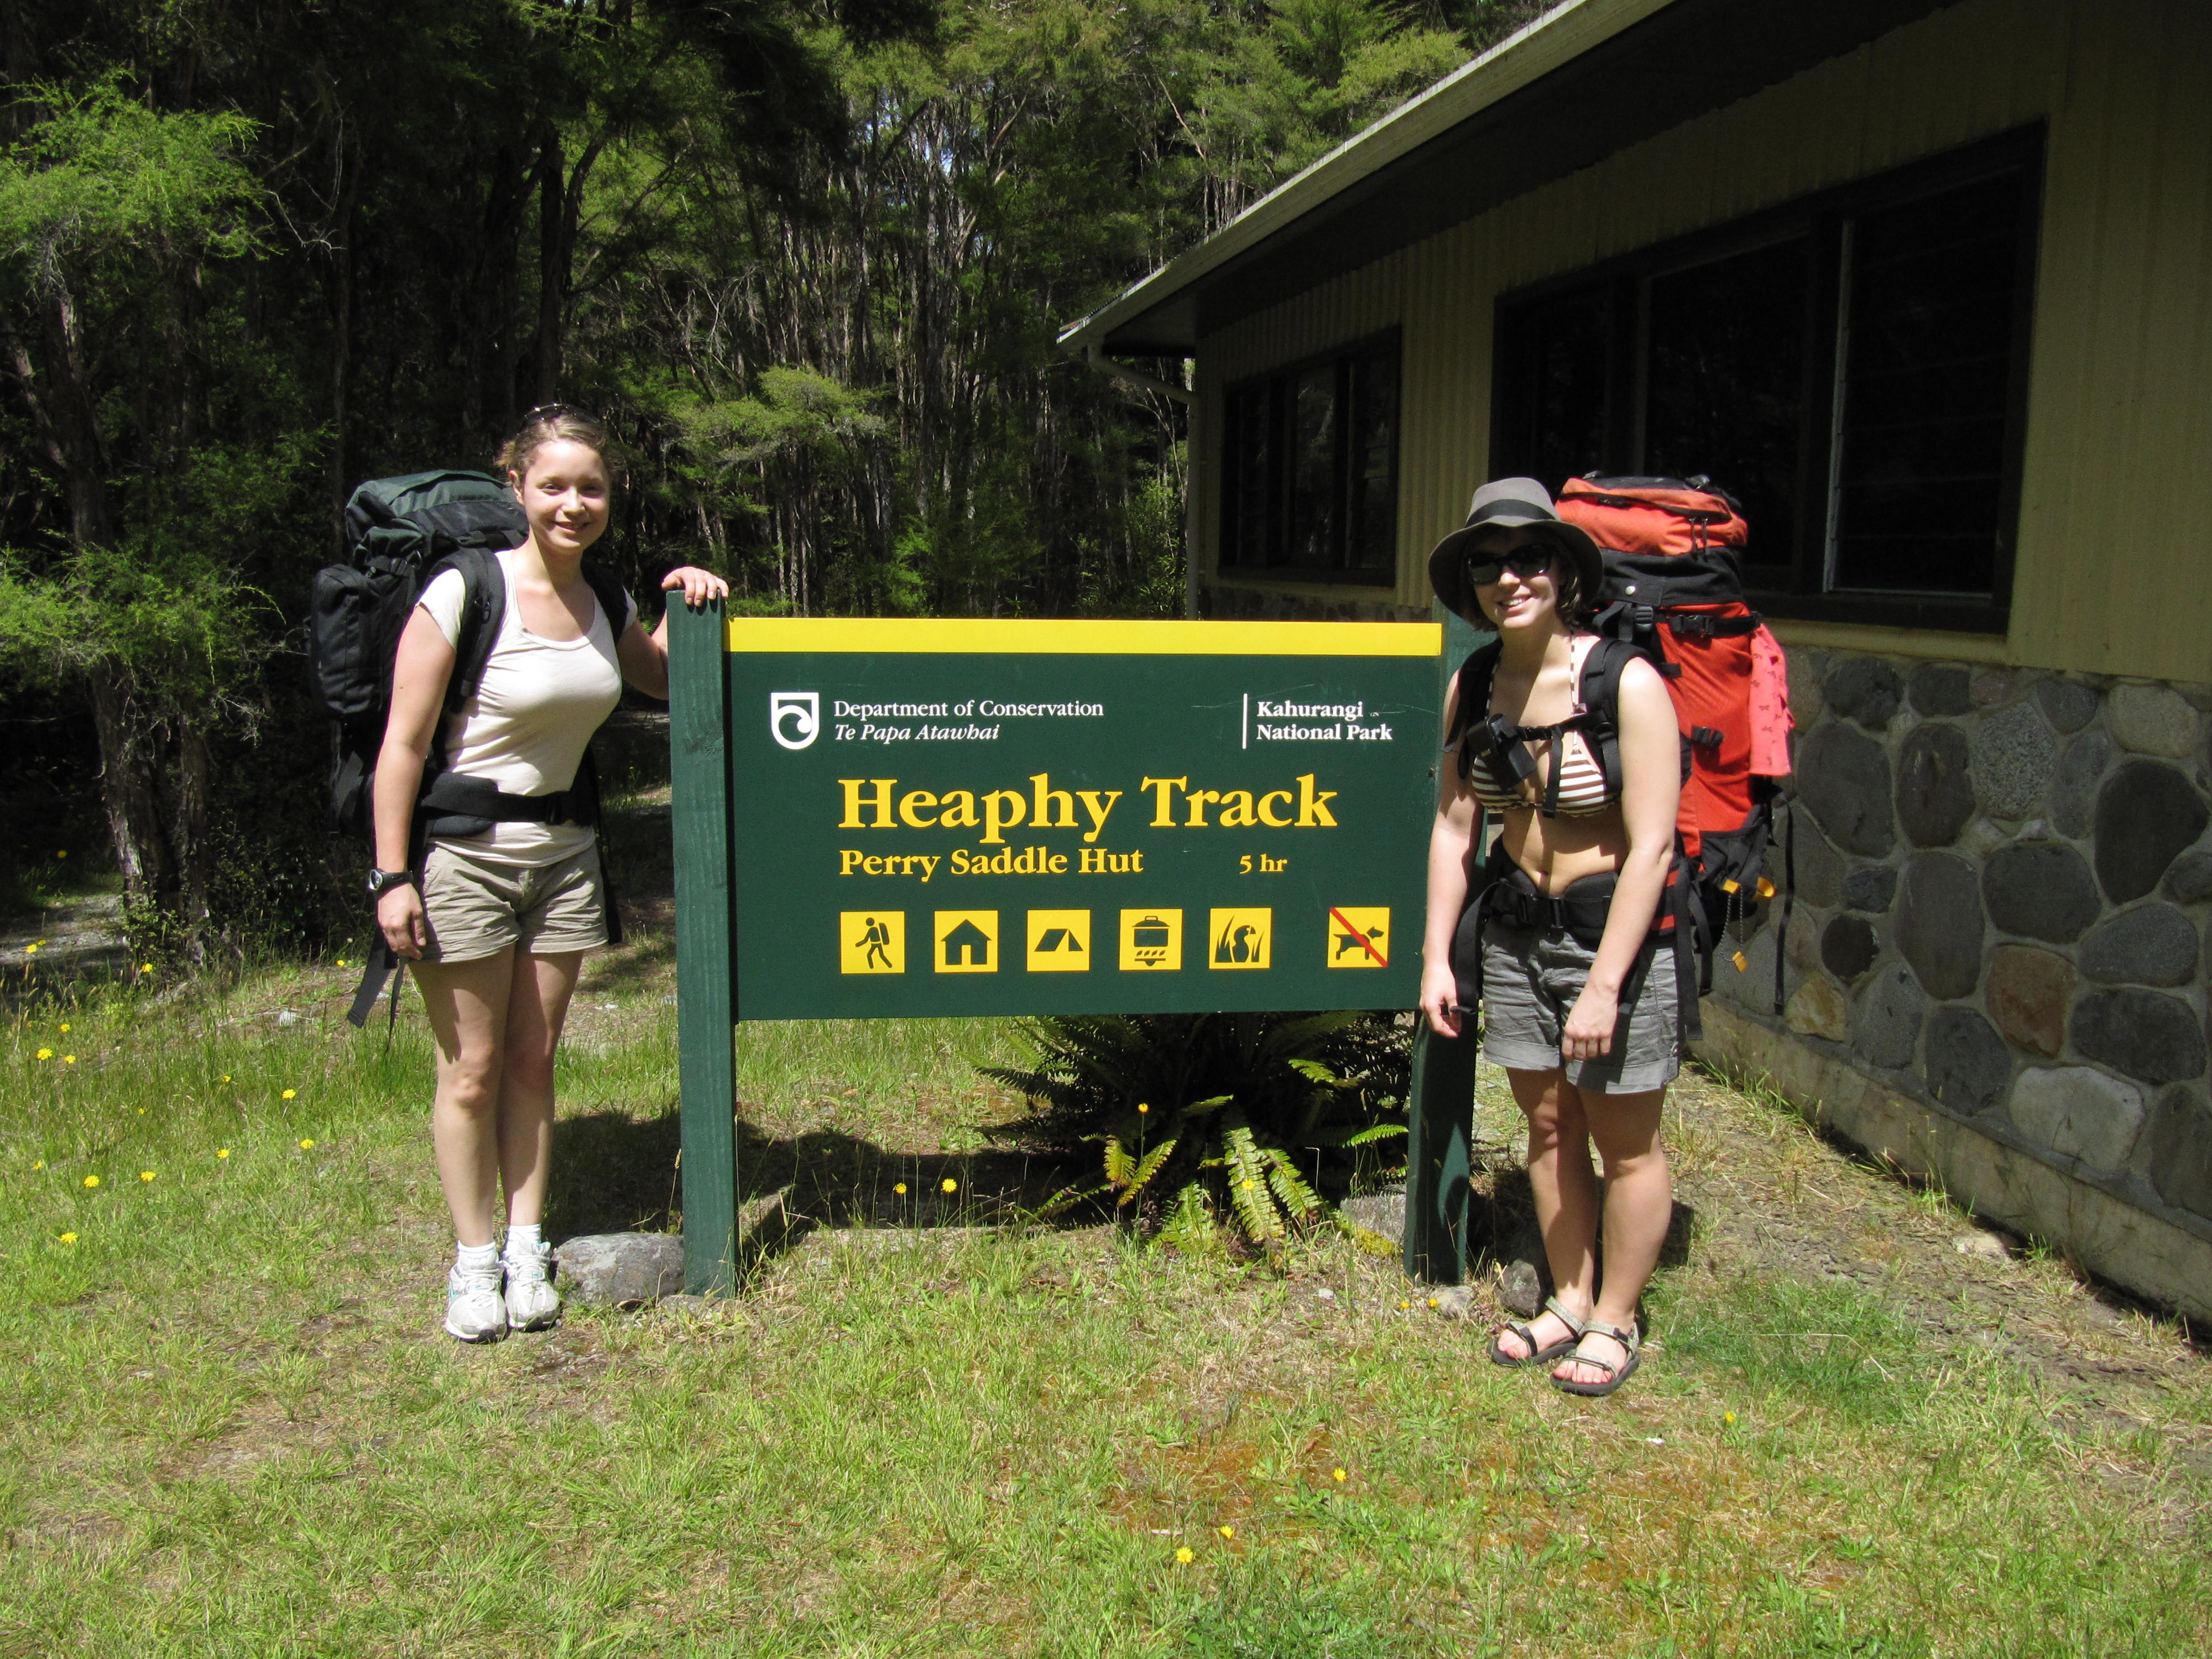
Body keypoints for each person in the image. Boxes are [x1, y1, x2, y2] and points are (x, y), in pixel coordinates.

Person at [369, 406, 729, 1343]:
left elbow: (659, 677)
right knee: (472, 1071)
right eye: (555, 485)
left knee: (533, 1060)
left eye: (592, 488)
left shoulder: (604, 596)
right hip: (464, 860)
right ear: (518, 488)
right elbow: (401, 746)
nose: (575, 503)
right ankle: (472, 1262)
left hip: (565, 858)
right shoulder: (464, 590)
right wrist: (391, 877)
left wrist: (684, 595)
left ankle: (527, 1247)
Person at [1418, 477, 1683, 1397]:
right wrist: (1437, 959)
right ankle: (1570, 1299)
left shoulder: (1626, 683)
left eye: (1528, 558)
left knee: (1625, 1140)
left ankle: (1617, 1319)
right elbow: (1454, 828)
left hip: (1612, 942)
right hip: (1517, 936)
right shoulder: (1474, 683)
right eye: (1488, 564)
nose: (1510, 578)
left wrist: (1605, 985)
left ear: (1563, 572)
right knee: (1546, 1124)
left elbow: (1653, 848)